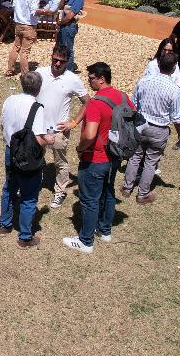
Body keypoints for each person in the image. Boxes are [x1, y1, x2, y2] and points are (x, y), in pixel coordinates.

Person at [63, 62, 127, 253]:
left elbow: (90, 135)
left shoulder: (95, 103)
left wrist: (80, 148)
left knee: (90, 200)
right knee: (108, 191)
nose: (88, 81)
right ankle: (104, 230)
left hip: (95, 159)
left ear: (101, 79)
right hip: (114, 156)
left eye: (91, 78)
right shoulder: (123, 97)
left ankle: (86, 241)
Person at [0, 71, 56, 247]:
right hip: (28, 156)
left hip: (10, 150)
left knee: (9, 188)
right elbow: (38, 138)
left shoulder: (9, 100)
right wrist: (49, 140)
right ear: (39, 88)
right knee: (29, 196)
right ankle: (25, 237)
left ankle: (5, 225)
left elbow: (2, 124)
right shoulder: (37, 108)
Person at [122, 52, 180, 203]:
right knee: (151, 162)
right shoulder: (174, 89)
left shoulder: (144, 81)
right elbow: (177, 117)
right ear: (174, 68)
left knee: (134, 157)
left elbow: (133, 105)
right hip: (159, 129)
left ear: (158, 64)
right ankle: (143, 194)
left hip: (140, 125)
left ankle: (126, 188)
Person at [35, 44, 89, 209]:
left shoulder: (72, 79)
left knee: (60, 163)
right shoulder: (40, 73)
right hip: (38, 128)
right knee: (35, 158)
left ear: (67, 62)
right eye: (55, 59)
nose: (57, 64)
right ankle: (33, 184)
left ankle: (60, 191)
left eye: (62, 61)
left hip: (59, 130)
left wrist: (73, 122)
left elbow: (87, 102)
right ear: (51, 57)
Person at [6, 0, 45, 77]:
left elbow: (14, 5)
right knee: (25, 52)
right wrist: (44, 11)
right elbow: (33, 11)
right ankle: (25, 75)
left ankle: (9, 70)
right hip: (29, 25)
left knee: (15, 47)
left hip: (18, 23)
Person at [57, 0, 85, 71]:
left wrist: (60, 23)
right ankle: (61, 68)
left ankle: (68, 71)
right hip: (64, 25)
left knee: (67, 49)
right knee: (60, 48)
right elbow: (60, 7)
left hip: (69, 27)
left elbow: (70, 16)